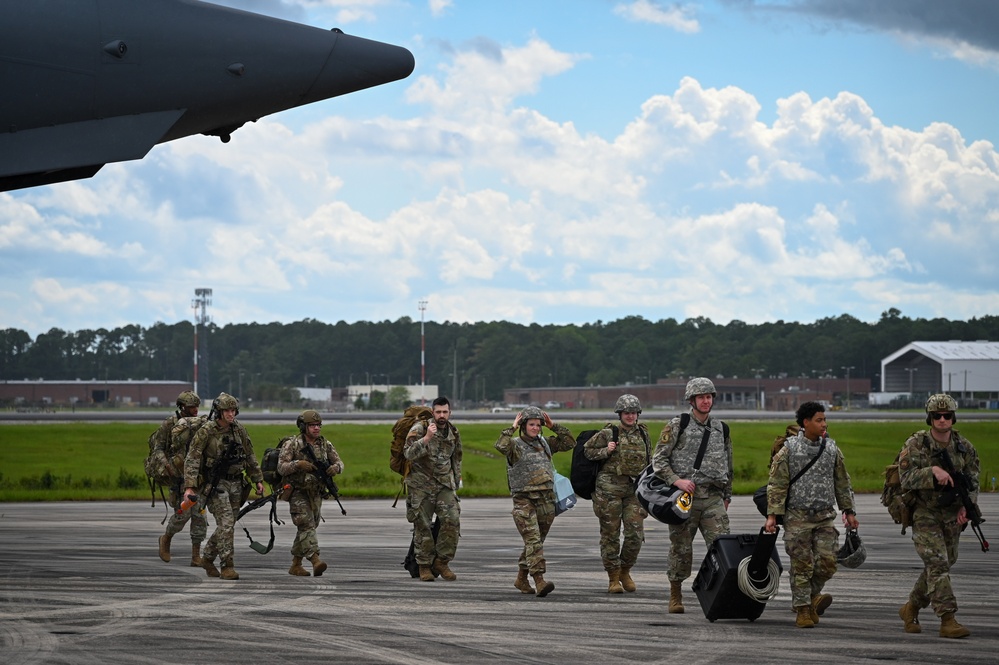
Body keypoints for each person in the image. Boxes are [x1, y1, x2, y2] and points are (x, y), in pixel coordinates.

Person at [764, 401, 858, 628]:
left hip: (825, 516)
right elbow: (777, 484)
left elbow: (842, 483)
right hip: (798, 517)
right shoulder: (790, 449)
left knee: (828, 562)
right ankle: (803, 610)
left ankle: (807, 598)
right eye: (819, 420)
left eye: (825, 419)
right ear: (805, 423)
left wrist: (849, 510)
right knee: (802, 565)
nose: (824, 424)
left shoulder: (832, 449)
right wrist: (772, 516)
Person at [897, 394, 980, 639]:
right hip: (925, 511)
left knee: (944, 563)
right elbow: (905, 478)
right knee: (937, 563)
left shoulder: (964, 447)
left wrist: (968, 506)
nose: (942, 420)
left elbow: (973, 482)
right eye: (936, 416)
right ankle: (948, 618)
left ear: (953, 417)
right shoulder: (915, 444)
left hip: (953, 514)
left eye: (947, 415)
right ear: (929, 418)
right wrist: (932, 472)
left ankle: (910, 607)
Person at [653, 377, 733, 613]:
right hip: (684, 500)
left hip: (713, 498)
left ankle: (720, 594)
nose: (706, 401)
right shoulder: (679, 425)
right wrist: (676, 481)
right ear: (692, 400)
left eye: (709, 397)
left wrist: (727, 495)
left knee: (722, 548)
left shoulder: (721, 428)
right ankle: (675, 593)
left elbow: (729, 463)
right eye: (701, 397)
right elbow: (659, 459)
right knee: (681, 549)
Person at [494, 406, 575, 597]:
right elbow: (501, 446)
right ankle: (539, 580)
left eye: (538, 425)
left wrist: (553, 426)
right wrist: (511, 428)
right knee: (533, 541)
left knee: (535, 542)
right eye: (531, 424)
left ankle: (521, 578)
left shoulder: (545, 443)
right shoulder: (514, 445)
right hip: (524, 500)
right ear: (523, 425)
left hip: (546, 500)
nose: (535, 428)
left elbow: (569, 443)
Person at [182, 393, 264, 581]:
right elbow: (192, 458)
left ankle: (208, 557)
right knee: (226, 523)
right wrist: (190, 487)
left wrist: (257, 479)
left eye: (233, 410)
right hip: (215, 484)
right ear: (218, 412)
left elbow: (250, 455)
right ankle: (227, 565)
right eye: (227, 410)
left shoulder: (239, 430)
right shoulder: (207, 431)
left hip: (237, 483)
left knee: (227, 525)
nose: (231, 414)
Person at [583, 394, 651, 594]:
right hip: (609, 490)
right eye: (626, 413)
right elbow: (587, 451)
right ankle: (613, 577)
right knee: (610, 535)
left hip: (633, 489)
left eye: (633, 413)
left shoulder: (643, 434)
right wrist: (605, 451)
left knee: (635, 534)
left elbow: (649, 459)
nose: (630, 416)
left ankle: (625, 570)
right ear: (619, 414)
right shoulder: (608, 432)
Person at [277, 410, 344, 577]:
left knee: (309, 527)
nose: (316, 428)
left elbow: (339, 462)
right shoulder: (292, 444)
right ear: (303, 427)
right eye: (312, 425)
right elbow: (281, 467)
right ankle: (315, 560)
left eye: (318, 425)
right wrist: (298, 464)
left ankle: (296, 564)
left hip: (316, 492)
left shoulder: (325, 444)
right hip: (298, 491)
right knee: (306, 525)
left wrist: (335, 468)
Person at [404, 396, 462, 581]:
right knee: (422, 526)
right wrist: (427, 438)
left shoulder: (453, 431)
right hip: (421, 486)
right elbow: (408, 453)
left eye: (445, 412)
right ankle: (423, 566)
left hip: (444, 484)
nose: (442, 415)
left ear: (450, 412)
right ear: (432, 412)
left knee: (452, 520)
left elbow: (457, 457)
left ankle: (442, 562)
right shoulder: (420, 429)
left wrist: (456, 478)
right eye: (438, 412)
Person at [154, 391, 208, 566]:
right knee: (182, 514)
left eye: (197, 406)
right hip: (177, 477)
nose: (195, 410)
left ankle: (195, 556)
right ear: (182, 407)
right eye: (191, 407)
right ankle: (166, 538)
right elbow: (158, 449)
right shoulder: (170, 424)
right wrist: (168, 466)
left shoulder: (201, 424)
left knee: (200, 517)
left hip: (197, 477)